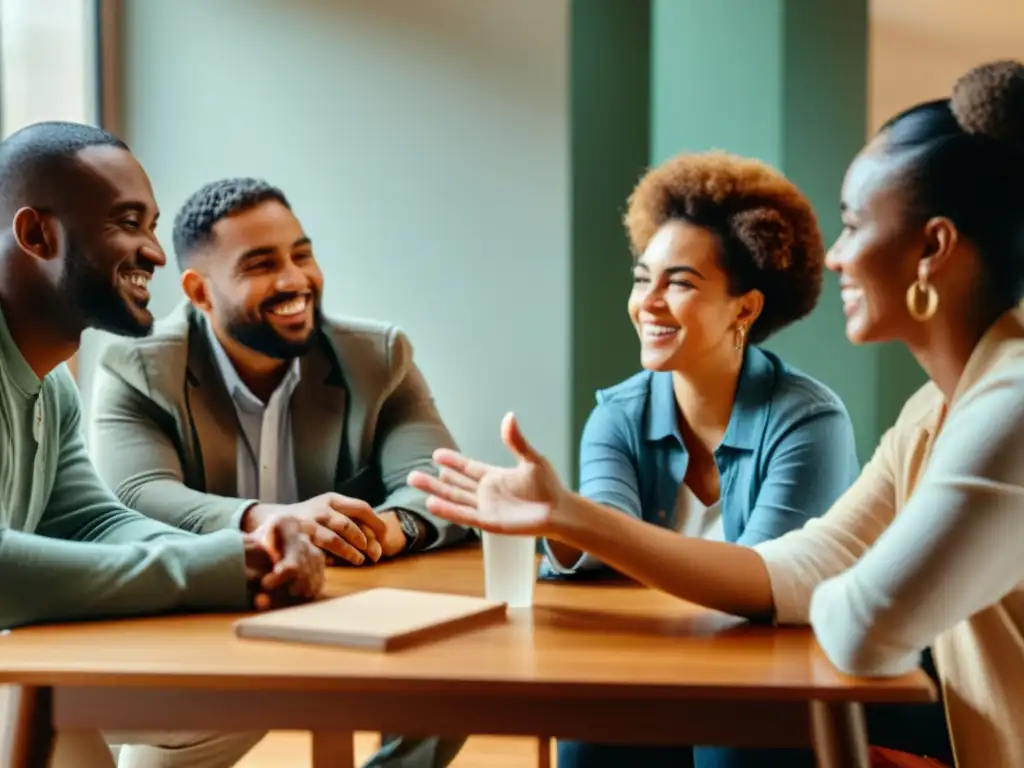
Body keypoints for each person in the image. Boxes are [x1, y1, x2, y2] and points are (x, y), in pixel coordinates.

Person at [410, 59, 1024, 768]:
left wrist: (838, 582)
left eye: (854, 225)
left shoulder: (1006, 411)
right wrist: (563, 513)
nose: (838, 258)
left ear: (934, 248)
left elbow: (859, 625)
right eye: (646, 279)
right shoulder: (934, 413)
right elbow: (795, 568)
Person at [87, 176, 471, 767]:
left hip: (346, 615)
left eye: (303, 254)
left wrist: (386, 528)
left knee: (455, 671)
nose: (295, 280)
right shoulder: (137, 365)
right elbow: (135, 495)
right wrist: (273, 521)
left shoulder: (379, 358)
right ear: (199, 291)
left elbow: (435, 484)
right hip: (203, 628)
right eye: (262, 264)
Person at [0, 121, 325, 768]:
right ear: (37, 235)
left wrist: (247, 553)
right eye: (128, 223)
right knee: (33, 699)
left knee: (240, 694)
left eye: (152, 226)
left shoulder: (50, 387)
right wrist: (216, 570)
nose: (155, 253)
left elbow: (89, 522)